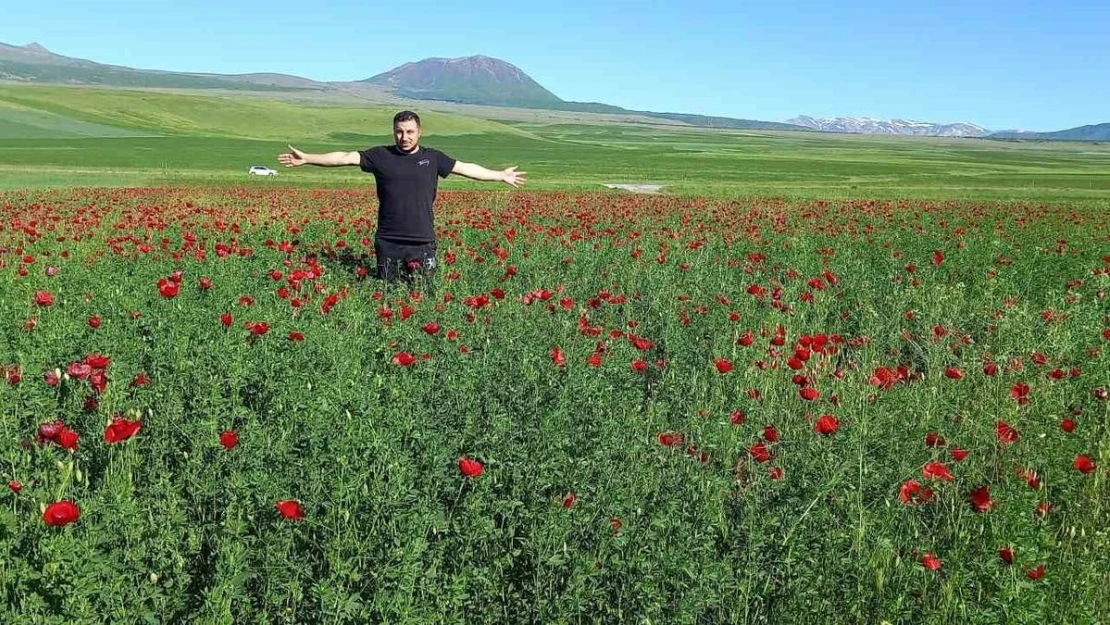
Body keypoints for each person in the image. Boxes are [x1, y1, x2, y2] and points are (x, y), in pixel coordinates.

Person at [278, 110, 526, 290]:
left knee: (425, 294)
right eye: (399, 131)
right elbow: (344, 157)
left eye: (409, 132)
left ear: (419, 132)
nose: (404, 137)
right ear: (393, 132)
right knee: (388, 295)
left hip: (422, 241)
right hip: (388, 241)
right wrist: (308, 158)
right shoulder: (380, 156)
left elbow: (468, 168)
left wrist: (500, 175)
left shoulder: (433, 158)